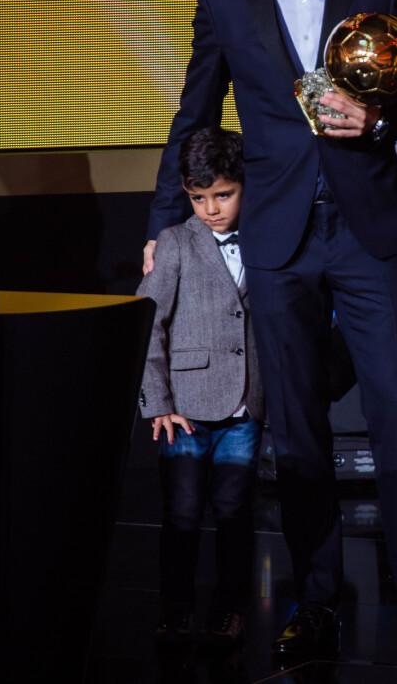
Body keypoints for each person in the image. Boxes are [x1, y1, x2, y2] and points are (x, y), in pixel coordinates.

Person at [143, 0, 397, 664]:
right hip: (279, 239)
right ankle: (317, 599)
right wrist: (161, 226)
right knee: (296, 429)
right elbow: (194, 119)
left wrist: (381, 120)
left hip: (367, 233)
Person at [137, 126, 265, 651]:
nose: (211, 208)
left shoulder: (267, 237)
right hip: (185, 408)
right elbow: (149, 322)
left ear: (244, 186)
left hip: (245, 406)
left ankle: (229, 609)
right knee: (183, 514)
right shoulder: (174, 243)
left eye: (223, 195)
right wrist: (157, 403)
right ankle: (176, 608)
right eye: (198, 197)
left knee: (236, 515)